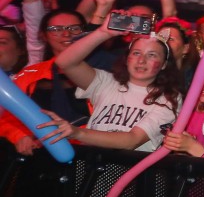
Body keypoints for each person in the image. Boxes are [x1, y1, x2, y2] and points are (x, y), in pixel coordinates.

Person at [40, 15, 182, 150]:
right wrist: (103, 32)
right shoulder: (106, 82)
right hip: (90, 166)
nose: (141, 60)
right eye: (136, 53)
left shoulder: (169, 98)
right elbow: (65, 63)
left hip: (128, 171)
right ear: (127, 59)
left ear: (164, 64)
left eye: (152, 55)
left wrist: (77, 133)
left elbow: (131, 141)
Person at [0, 10, 93, 155]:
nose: (66, 34)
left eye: (74, 28)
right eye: (56, 29)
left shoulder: (104, 69)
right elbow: (8, 116)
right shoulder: (30, 74)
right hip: (41, 154)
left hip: (90, 153)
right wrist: (20, 135)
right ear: (44, 35)